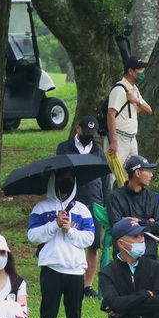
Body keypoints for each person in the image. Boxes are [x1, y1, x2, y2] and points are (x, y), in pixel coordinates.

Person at [106, 155, 159, 318]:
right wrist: (147, 223)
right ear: (137, 172)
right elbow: (118, 227)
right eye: (148, 170)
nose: (151, 174)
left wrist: (139, 222)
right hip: (124, 262)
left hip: (150, 259)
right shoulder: (115, 197)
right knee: (124, 302)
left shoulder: (153, 197)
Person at [27, 169, 95, 318]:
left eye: (70, 179)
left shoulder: (82, 209)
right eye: (62, 179)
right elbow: (33, 236)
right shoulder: (41, 208)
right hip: (51, 268)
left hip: (75, 270)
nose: (66, 182)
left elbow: (89, 238)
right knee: (47, 314)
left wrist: (70, 230)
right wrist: (54, 224)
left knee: (75, 316)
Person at [55, 119, 113, 295]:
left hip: (94, 201)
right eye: (86, 134)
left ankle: (87, 285)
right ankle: (71, 280)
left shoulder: (98, 151)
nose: (89, 138)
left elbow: (105, 179)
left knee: (94, 244)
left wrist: (106, 204)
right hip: (72, 200)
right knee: (71, 239)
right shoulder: (64, 147)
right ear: (77, 129)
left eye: (92, 135)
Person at [106, 56, 153, 162]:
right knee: (114, 174)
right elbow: (110, 115)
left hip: (132, 139)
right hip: (120, 137)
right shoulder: (119, 89)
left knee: (132, 173)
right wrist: (114, 141)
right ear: (131, 71)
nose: (142, 73)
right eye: (139, 70)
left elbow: (149, 110)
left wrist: (136, 100)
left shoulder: (134, 90)